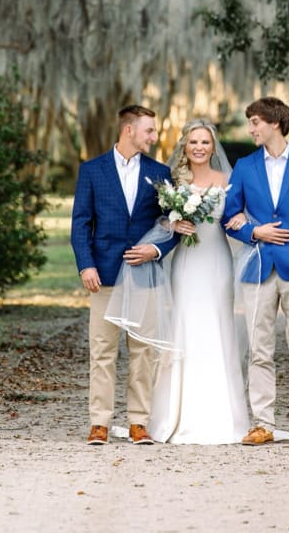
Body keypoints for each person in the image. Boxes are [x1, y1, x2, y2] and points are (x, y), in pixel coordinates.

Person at [222, 97, 289, 447]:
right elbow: (229, 217)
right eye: (250, 122)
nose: (251, 129)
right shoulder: (244, 167)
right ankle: (263, 424)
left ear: (275, 123)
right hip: (258, 268)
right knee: (259, 350)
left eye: (255, 122)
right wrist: (254, 232)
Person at [70, 104, 178, 445]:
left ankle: (138, 422)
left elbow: (172, 225)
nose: (153, 136)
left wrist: (156, 250)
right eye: (149, 130)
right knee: (102, 350)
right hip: (102, 274)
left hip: (143, 273)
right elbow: (80, 222)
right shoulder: (92, 170)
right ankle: (99, 422)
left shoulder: (160, 172)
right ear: (129, 130)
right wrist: (86, 264)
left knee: (142, 351)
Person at [142, 119, 251, 444]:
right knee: (186, 327)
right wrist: (172, 223)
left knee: (218, 327)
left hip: (216, 261)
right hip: (186, 264)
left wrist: (243, 217)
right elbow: (156, 218)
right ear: (185, 147)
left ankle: (223, 416)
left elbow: (239, 214)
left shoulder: (227, 180)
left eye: (205, 142)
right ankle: (178, 414)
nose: (199, 148)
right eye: (193, 142)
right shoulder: (173, 181)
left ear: (213, 146)